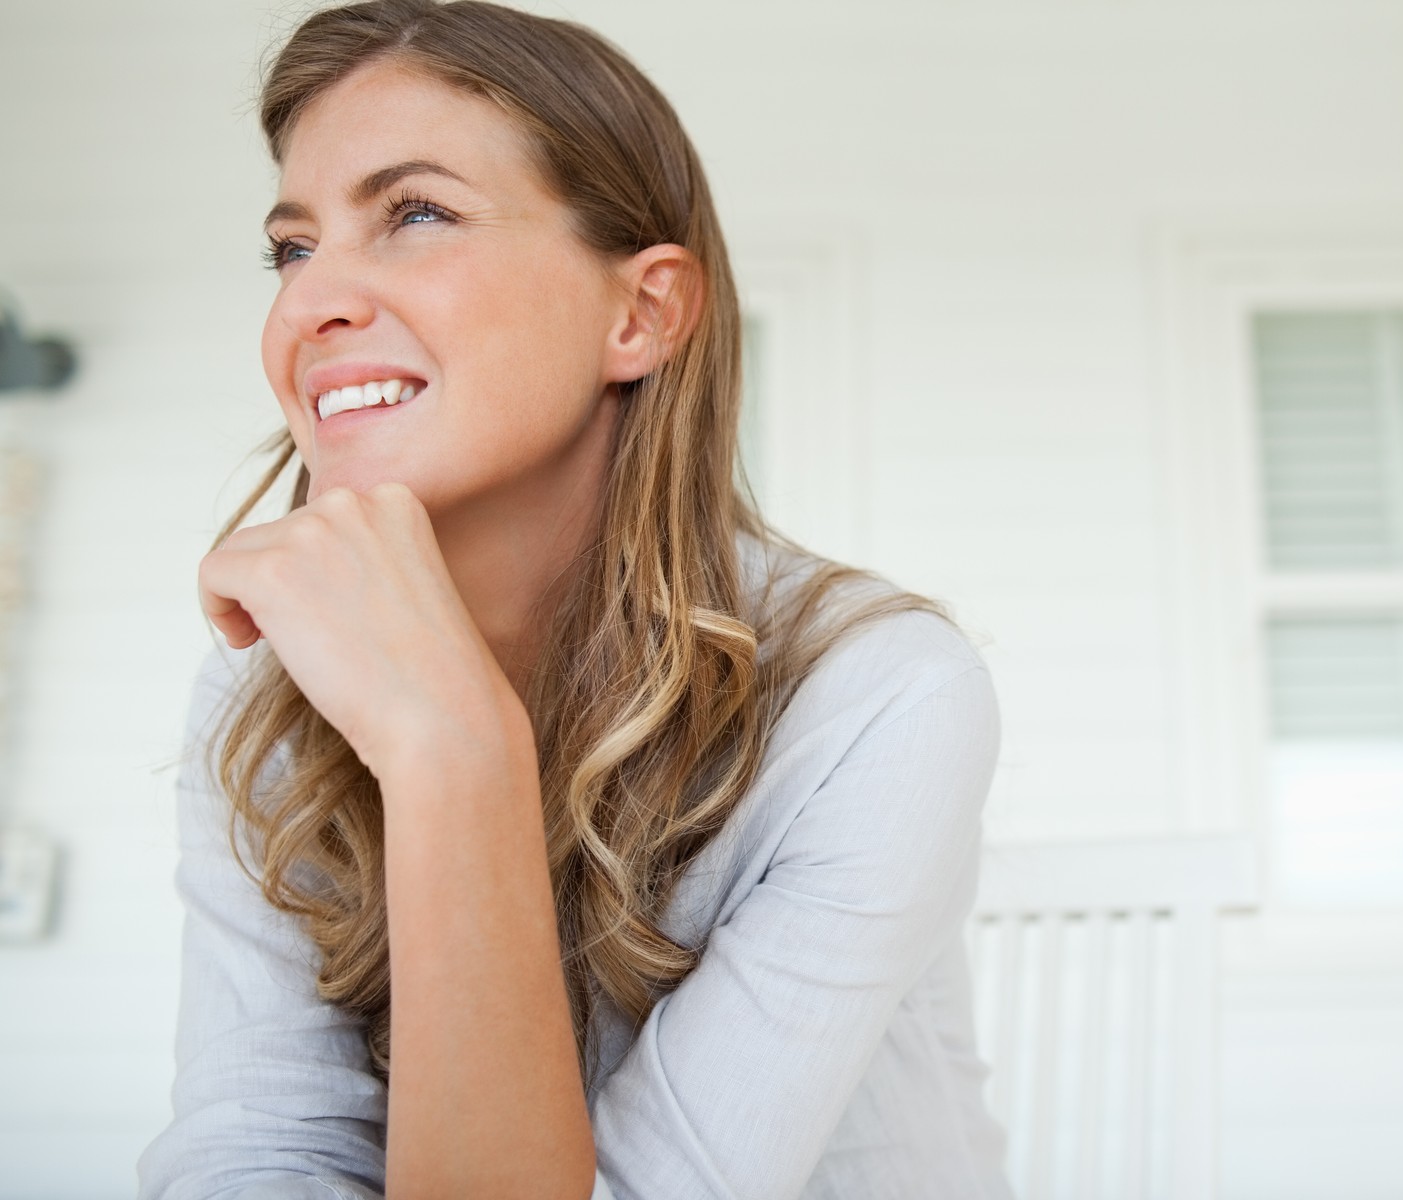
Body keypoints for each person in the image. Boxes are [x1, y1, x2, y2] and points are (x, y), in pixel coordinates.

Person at [134, 2, 1010, 1197]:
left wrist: (455, 751)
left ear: (641, 314)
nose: (309, 305)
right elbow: (258, 1147)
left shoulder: (878, 697)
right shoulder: (270, 674)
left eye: (417, 213)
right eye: (293, 248)